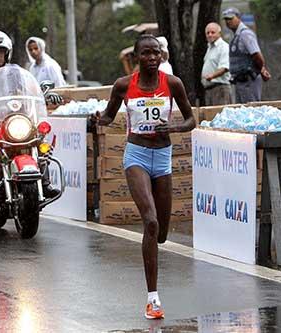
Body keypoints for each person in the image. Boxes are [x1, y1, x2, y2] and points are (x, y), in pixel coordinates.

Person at [90, 34, 196, 320]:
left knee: (160, 232)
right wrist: (96, 118)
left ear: (162, 56)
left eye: (156, 53)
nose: (152, 57)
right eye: (146, 53)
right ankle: (153, 299)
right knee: (149, 221)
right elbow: (109, 117)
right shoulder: (124, 85)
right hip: (136, 154)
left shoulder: (172, 84)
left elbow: (191, 119)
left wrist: (173, 128)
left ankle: (156, 237)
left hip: (162, 157)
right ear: (136, 57)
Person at [0, 30, 60, 209]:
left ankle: (45, 184)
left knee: (38, 139)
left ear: (7, 53)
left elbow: (30, 88)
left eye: (1, 52)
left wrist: (46, 95)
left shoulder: (15, 72)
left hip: (14, 119)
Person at [223, 7, 270, 103]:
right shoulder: (236, 35)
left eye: (231, 18)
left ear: (238, 17)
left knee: (251, 111)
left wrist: (261, 69)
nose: (228, 21)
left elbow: (257, 55)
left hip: (249, 81)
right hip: (240, 82)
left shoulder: (245, 34)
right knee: (243, 112)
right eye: (226, 19)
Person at [201, 22, 232, 106]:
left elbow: (225, 67)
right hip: (209, 89)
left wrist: (211, 76)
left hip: (220, 88)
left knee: (221, 116)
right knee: (211, 117)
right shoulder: (210, 48)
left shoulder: (223, 47)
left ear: (219, 33)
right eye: (208, 33)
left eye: (213, 32)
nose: (210, 35)